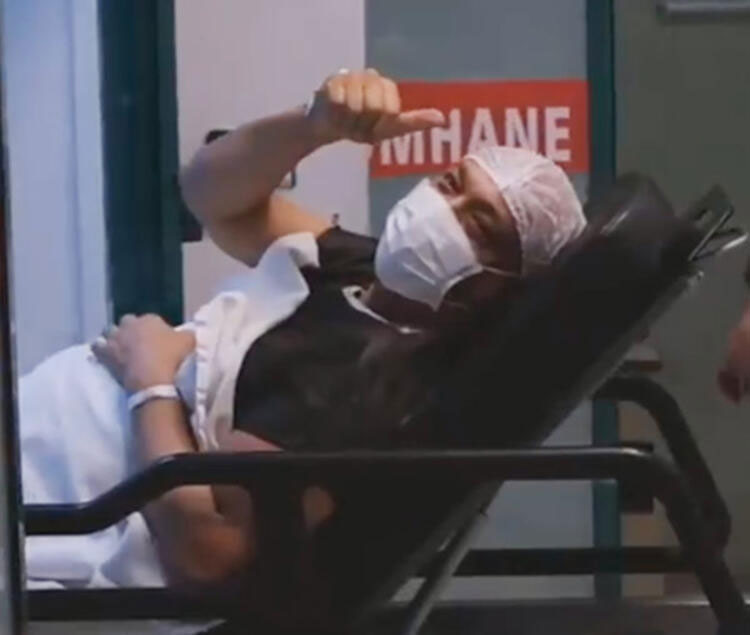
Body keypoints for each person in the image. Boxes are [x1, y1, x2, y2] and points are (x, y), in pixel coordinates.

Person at [20, 69, 586, 596]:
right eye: (451, 184)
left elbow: (208, 554)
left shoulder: (377, 387)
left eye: (477, 224)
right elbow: (208, 194)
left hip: (68, 491)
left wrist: (150, 381)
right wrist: (314, 126)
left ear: (508, 288)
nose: (443, 212)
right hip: (46, 435)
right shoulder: (365, 268)